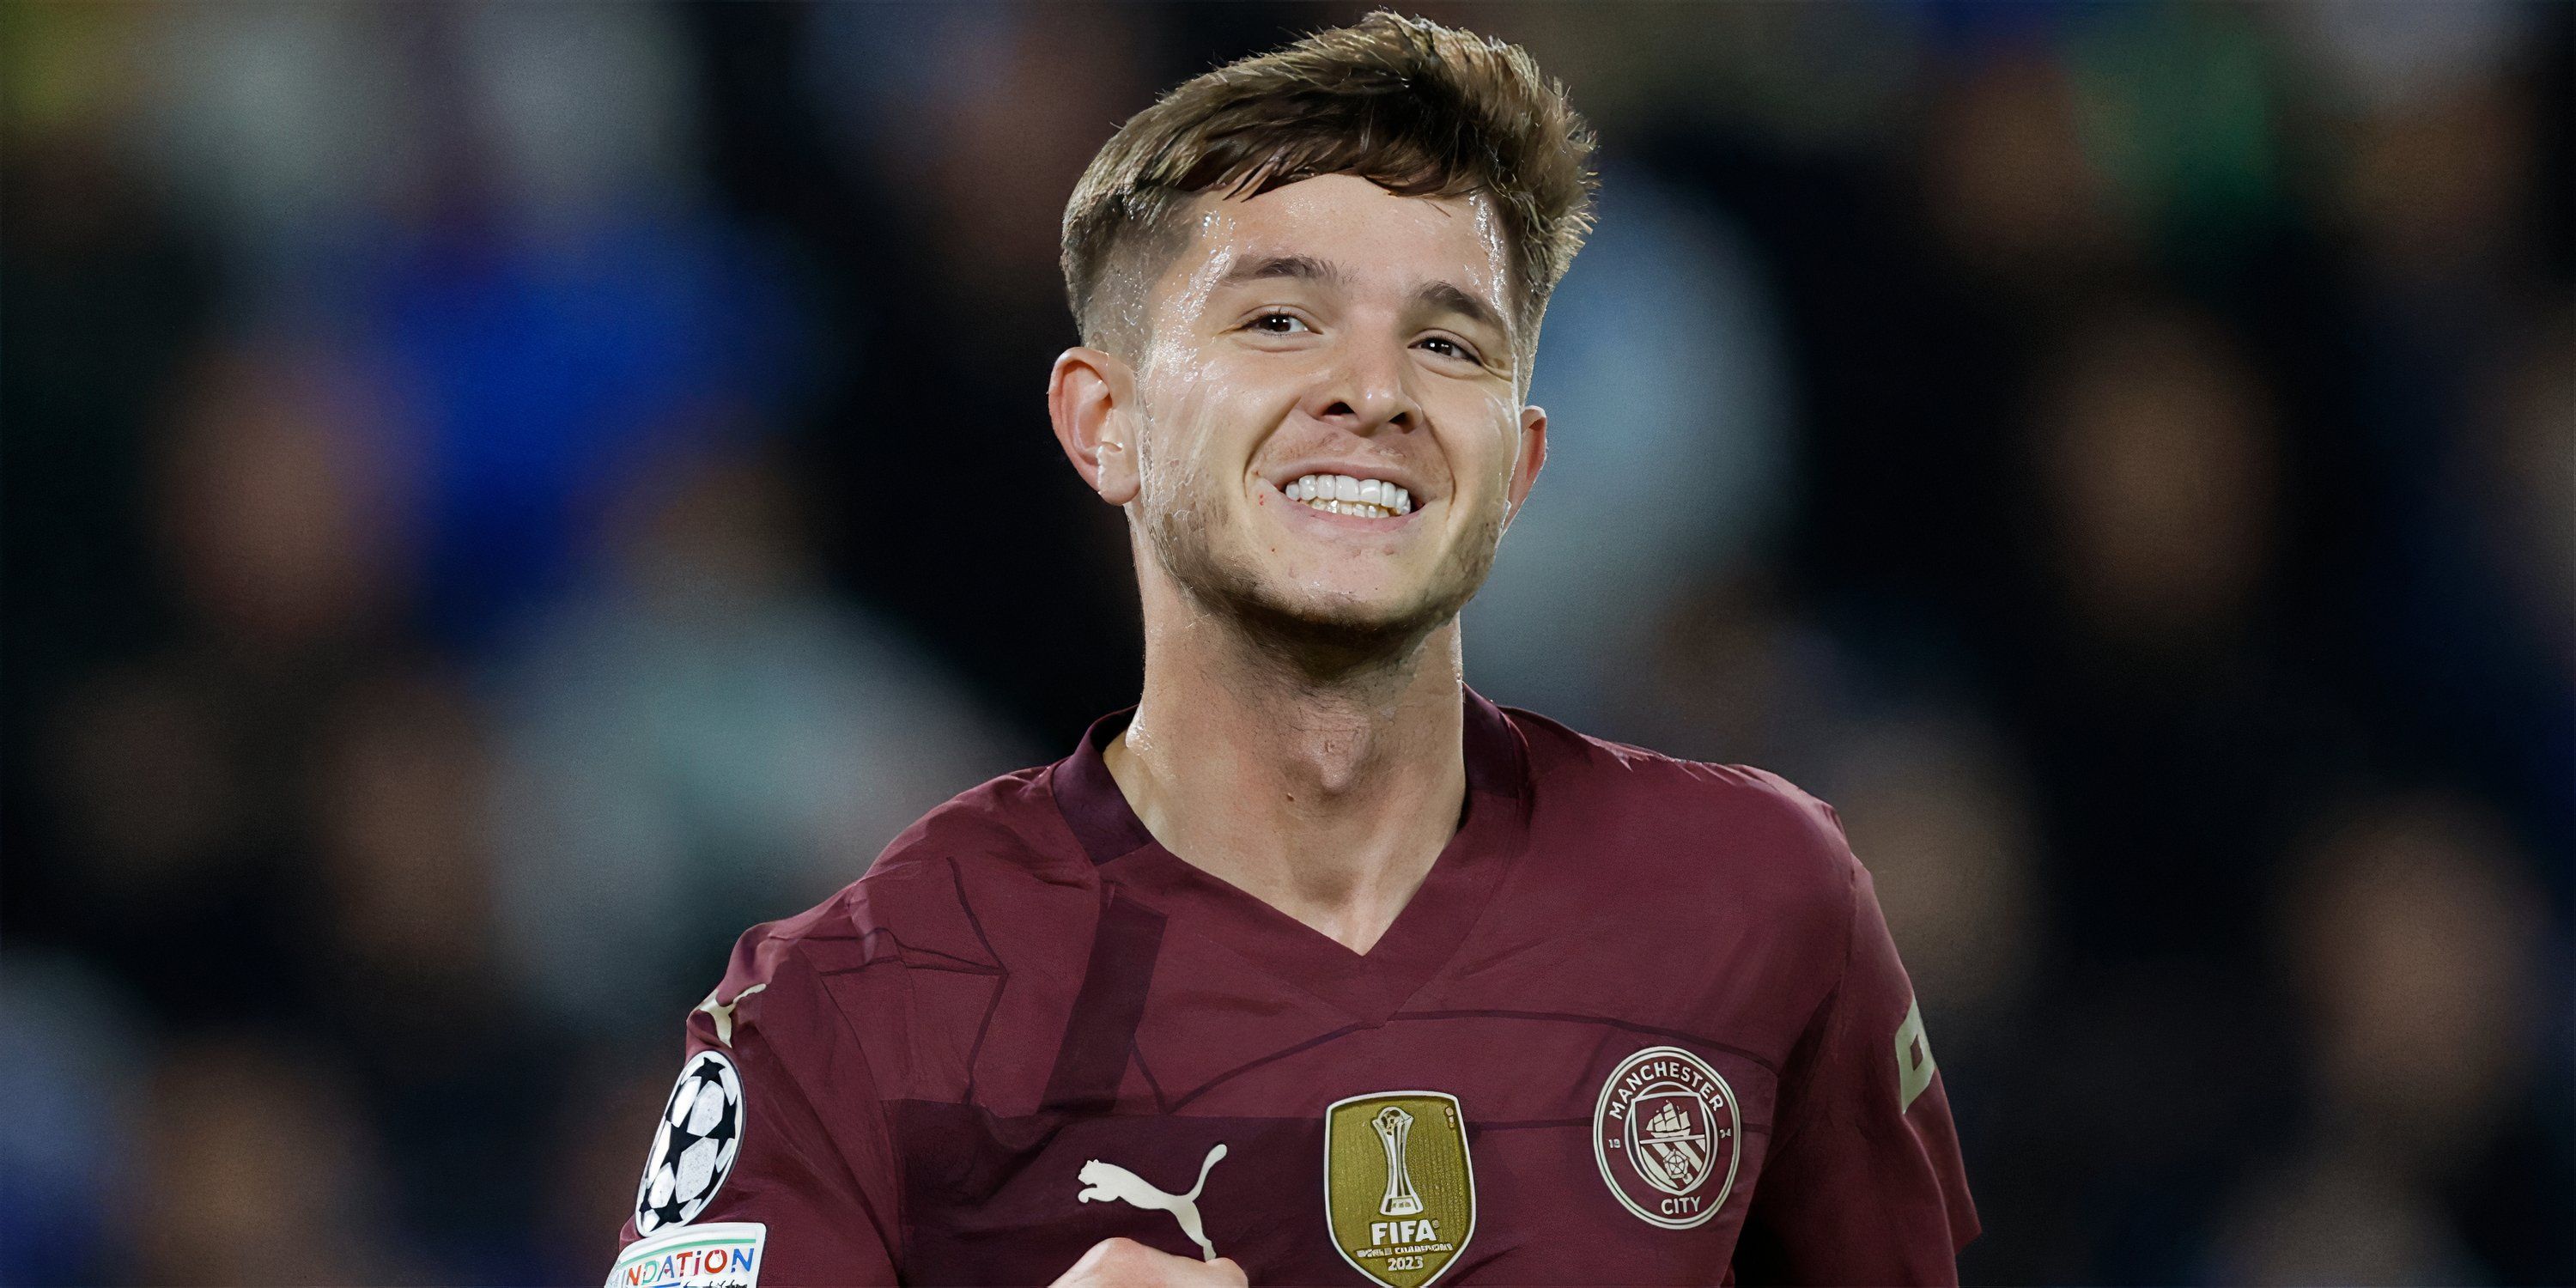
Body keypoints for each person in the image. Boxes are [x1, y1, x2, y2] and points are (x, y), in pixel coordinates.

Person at [607, 13, 1976, 1286]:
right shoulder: (850, 1008)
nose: (1373, 392)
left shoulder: (1761, 900)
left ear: (1520, 464)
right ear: (1106, 426)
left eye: (1448, 342)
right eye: (1279, 319)